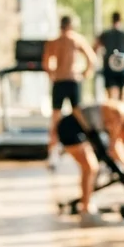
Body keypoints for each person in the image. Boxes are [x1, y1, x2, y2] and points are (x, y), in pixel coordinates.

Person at [54, 100, 124, 218]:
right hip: (71, 127)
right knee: (90, 167)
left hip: (83, 128)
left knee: (92, 167)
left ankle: (85, 202)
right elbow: (114, 148)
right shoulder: (120, 114)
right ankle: (85, 207)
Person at [43, 16, 98, 166]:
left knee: (55, 117)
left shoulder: (54, 42)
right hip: (73, 80)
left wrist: (53, 74)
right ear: (71, 26)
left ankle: (52, 155)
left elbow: (46, 63)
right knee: (80, 117)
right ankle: (91, 150)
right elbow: (92, 59)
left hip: (59, 81)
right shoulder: (77, 39)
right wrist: (84, 74)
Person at [95, 11, 124, 101]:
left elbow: (95, 48)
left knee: (110, 96)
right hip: (123, 65)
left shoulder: (105, 34)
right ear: (120, 19)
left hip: (108, 65)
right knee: (123, 94)